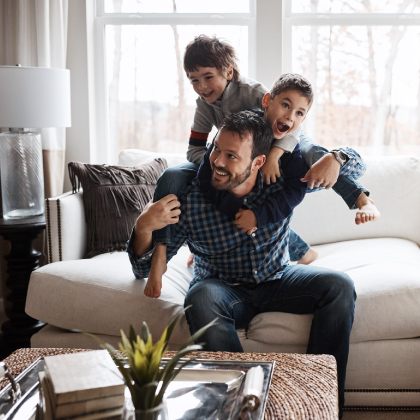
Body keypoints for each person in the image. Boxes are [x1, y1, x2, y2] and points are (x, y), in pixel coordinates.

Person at [127, 111, 356, 418]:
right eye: (216, 150)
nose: (218, 162)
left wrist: (337, 158)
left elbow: (357, 169)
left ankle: (319, 400)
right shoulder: (192, 199)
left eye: (232, 156)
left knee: (340, 286)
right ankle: (243, 409)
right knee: (200, 298)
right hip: (222, 289)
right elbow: (143, 270)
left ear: (258, 162)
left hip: (279, 278)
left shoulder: (280, 182)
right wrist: (143, 227)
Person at [145, 35, 375, 298]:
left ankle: (360, 198)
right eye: (194, 80)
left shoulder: (253, 93)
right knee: (172, 176)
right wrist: (220, 162)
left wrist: (275, 156)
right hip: (235, 161)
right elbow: (194, 149)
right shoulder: (203, 106)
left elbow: (284, 120)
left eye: (208, 77)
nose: (202, 86)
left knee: (315, 158)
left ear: (228, 71)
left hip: (282, 144)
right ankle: (162, 249)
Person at [196, 73, 381, 242]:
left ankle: (362, 199)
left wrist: (335, 158)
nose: (290, 116)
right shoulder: (240, 129)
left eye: (299, 113)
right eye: (285, 105)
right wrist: (236, 210)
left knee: (318, 158)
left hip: (274, 199)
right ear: (267, 100)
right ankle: (304, 253)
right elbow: (204, 175)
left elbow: (296, 189)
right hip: (247, 216)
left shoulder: (292, 147)